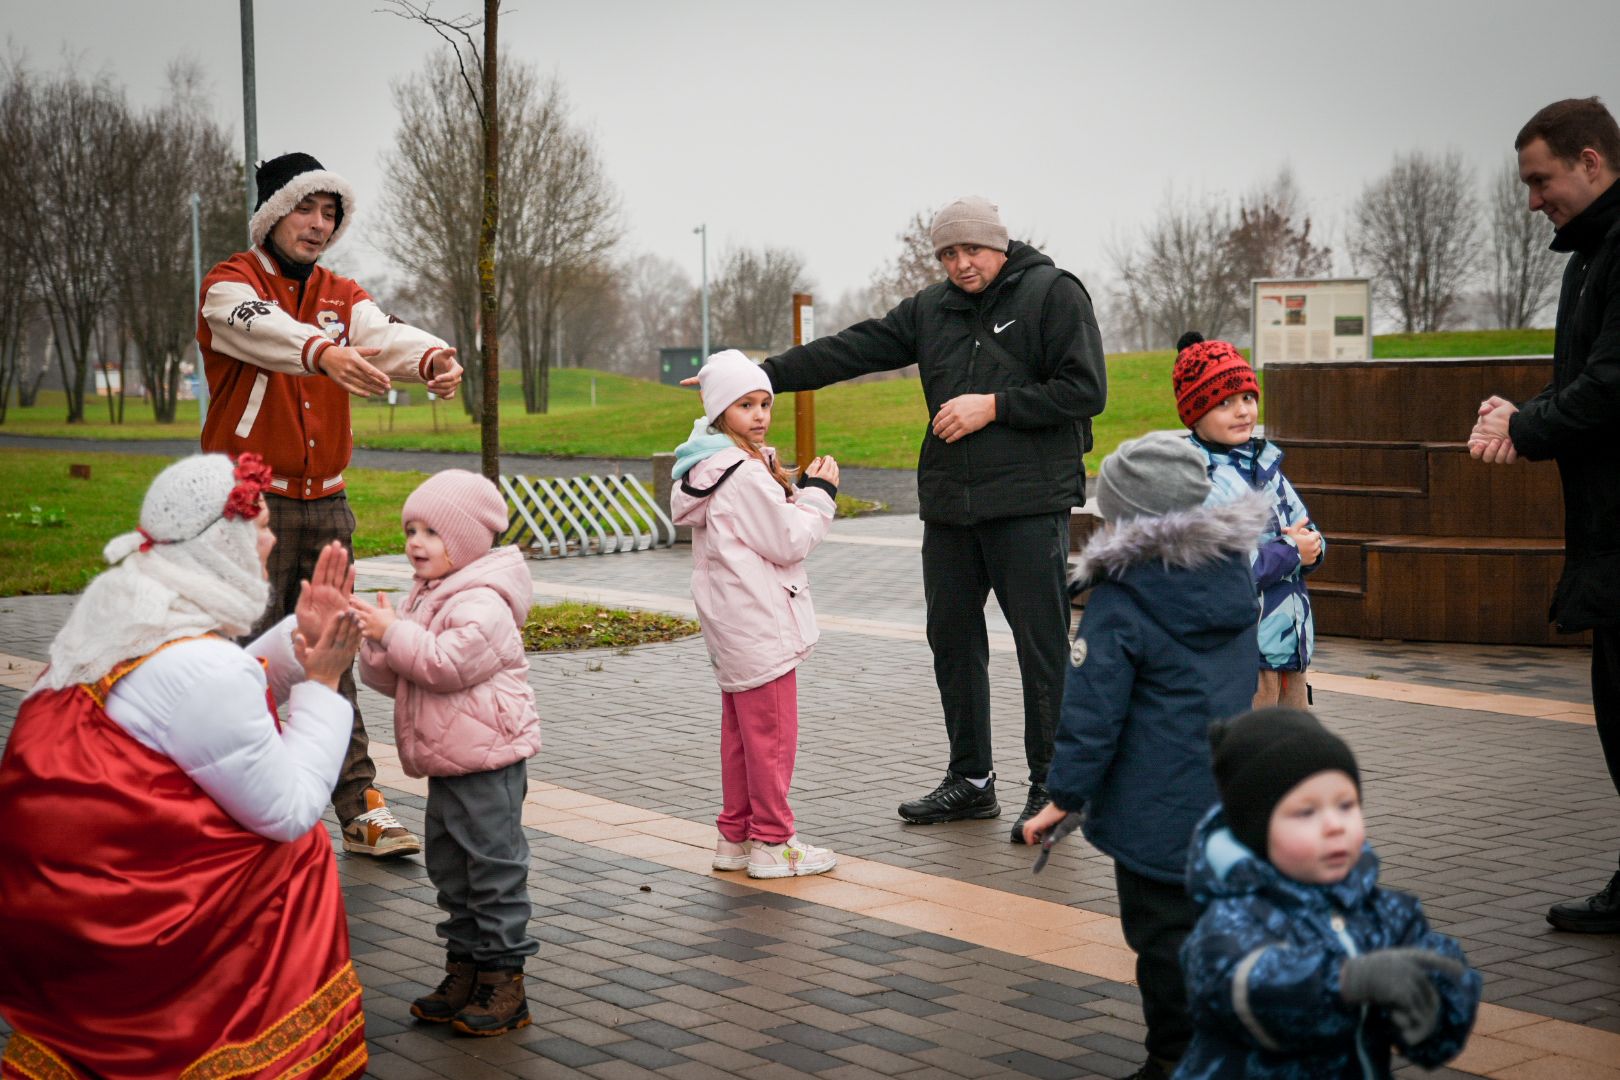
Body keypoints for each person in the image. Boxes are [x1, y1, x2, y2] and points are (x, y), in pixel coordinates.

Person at [0, 453, 369, 1079]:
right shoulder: (202, 667)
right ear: (219, 542)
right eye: (258, 528)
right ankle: (240, 1043)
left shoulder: (128, 609)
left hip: (64, 902)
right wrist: (324, 681)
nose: (272, 540)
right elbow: (286, 808)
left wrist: (296, 637)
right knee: (298, 851)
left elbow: (193, 707)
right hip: (134, 922)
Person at [757, 196, 1107, 842]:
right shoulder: (931, 309)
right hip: (950, 504)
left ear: (998, 245)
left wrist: (992, 407)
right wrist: (763, 375)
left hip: (1028, 503)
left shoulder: (1052, 294)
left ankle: (1054, 787)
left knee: (1041, 648)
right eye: (947, 253)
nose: (960, 264)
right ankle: (972, 782)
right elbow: (852, 349)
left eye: (969, 250)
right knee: (951, 639)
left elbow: (1086, 390)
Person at [198, 151, 464, 860]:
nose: (319, 224)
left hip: (327, 506)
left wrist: (435, 358)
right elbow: (262, 330)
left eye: (330, 213)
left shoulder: (341, 293)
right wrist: (323, 352)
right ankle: (231, 804)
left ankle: (359, 806)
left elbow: (383, 334)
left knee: (333, 653)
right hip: (248, 510)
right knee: (239, 659)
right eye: (306, 208)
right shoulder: (230, 285)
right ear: (271, 214)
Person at [1022, 431, 1268, 1080]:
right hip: (1223, 795)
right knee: (1211, 930)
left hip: (1152, 806)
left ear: (1125, 516)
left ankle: (1175, 1059)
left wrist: (1063, 797)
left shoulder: (1122, 598)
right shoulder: (1231, 575)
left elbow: (1092, 714)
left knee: (1161, 940)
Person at [1469, 97, 1620, 933]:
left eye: (1541, 180)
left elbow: (1613, 386)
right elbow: (1583, 385)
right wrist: (1518, 412)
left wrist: (1526, 428)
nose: (1533, 200)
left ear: (1591, 161)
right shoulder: (1588, 257)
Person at [1176, 708, 1481, 1078]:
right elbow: (1244, 988)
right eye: (1306, 812)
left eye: (1346, 805)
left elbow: (1438, 1001)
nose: (1334, 825)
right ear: (1256, 829)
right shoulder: (1234, 916)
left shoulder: (1382, 911)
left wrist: (1433, 1004)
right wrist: (1347, 981)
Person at [351, 469, 542, 1037]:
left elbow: (445, 665)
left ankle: (504, 979)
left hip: (489, 760)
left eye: (432, 531)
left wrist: (397, 634)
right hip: (447, 760)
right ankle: (464, 968)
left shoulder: (485, 601)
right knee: (452, 869)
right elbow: (402, 678)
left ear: (465, 541)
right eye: (411, 528)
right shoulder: (429, 593)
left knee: (493, 870)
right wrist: (378, 641)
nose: (415, 542)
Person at [670, 350, 842, 879]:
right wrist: (819, 496)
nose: (761, 414)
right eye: (745, 404)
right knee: (771, 741)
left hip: (734, 623)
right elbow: (788, 541)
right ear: (722, 413)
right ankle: (773, 843)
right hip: (761, 624)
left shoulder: (712, 466)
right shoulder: (742, 473)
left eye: (765, 402)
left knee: (743, 741)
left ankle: (735, 838)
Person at [1174, 332, 1324, 707]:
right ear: (1196, 412)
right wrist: (1291, 550)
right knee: (1245, 758)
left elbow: (1303, 528)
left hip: (1287, 647)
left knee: (1294, 756)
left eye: (1248, 398)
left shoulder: (1265, 466)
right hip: (1238, 655)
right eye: (1225, 403)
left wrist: (1313, 547)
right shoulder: (1197, 479)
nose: (1243, 411)